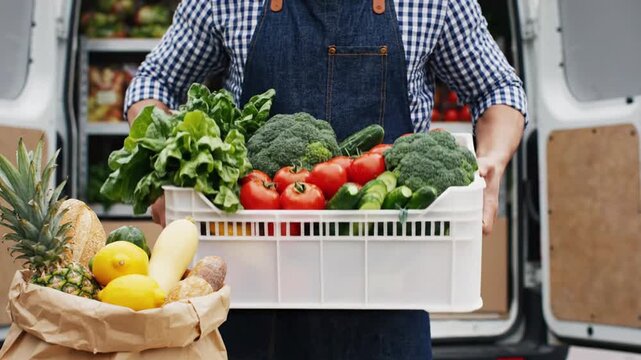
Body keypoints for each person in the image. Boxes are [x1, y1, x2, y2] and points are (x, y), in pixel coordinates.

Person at [124, 0, 527, 358]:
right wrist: (163, 159)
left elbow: (498, 89)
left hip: (386, 277)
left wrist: (491, 161)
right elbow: (155, 82)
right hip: (251, 271)